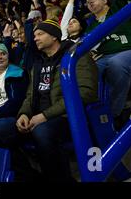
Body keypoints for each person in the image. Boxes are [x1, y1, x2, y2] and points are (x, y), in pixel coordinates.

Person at [14, 19, 98, 181]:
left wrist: (44, 116)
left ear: (54, 37)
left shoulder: (75, 56)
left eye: (40, 34)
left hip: (67, 116)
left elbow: (85, 93)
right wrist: (23, 114)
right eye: (34, 35)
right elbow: (30, 96)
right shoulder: (37, 63)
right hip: (38, 117)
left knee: (42, 131)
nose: (35, 38)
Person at [85, 0, 131, 130]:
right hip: (106, 57)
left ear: (105, 1)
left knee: (116, 62)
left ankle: (114, 114)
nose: (90, 3)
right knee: (86, 72)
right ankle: (93, 116)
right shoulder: (91, 26)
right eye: (87, 2)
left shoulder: (120, 10)